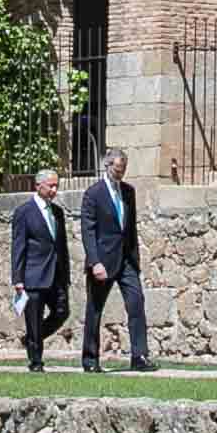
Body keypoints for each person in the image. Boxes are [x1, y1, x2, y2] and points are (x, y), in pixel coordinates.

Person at [79, 147, 151, 373]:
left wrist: (136, 259)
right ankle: (91, 360)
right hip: (103, 260)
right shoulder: (93, 194)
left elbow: (129, 229)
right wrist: (94, 262)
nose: (120, 174)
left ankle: (140, 356)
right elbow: (88, 231)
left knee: (136, 304)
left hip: (127, 260)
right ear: (107, 166)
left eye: (123, 170)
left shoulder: (129, 192)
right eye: (117, 170)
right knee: (95, 309)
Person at [8, 168, 70, 371]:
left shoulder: (58, 212)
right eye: (51, 186)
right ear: (38, 186)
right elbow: (18, 247)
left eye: (56, 186)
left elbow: (61, 246)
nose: (54, 190)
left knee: (61, 312)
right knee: (33, 319)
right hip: (33, 275)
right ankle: (36, 361)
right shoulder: (24, 212)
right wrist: (17, 278)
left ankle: (31, 339)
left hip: (55, 275)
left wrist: (66, 275)